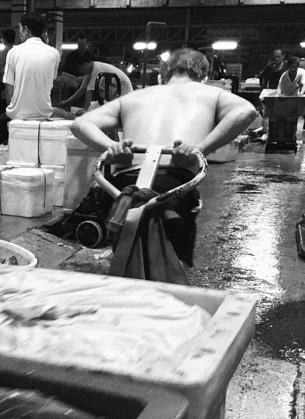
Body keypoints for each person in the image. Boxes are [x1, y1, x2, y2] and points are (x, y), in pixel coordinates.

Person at [70, 48, 257, 272]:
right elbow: (247, 111)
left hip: (124, 184)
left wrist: (112, 147)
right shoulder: (210, 93)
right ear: (204, 77)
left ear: (161, 77)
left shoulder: (135, 97)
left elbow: (80, 124)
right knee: (174, 259)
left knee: (125, 247)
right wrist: (200, 149)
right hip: (175, 182)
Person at [0, 11, 60, 162]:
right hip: (44, 115)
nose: (19, 34)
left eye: (21, 29)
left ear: (26, 30)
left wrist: (14, 108)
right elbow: (50, 83)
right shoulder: (54, 53)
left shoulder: (15, 52)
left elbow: (9, 92)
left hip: (17, 115)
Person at [57, 55, 133, 110]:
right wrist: (66, 102)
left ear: (85, 65)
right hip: (113, 93)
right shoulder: (90, 72)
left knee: (103, 113)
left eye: (80, 69)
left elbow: (88, 92)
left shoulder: (96, 69)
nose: (80, 72)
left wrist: (85, 110)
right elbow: (82, 89)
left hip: (122, 92)